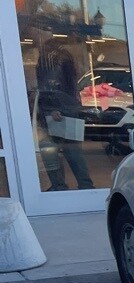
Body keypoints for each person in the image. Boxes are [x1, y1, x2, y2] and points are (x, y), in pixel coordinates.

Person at [36, 37, 94, 191]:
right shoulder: (65, 57)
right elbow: (70, 86)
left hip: (56, 111)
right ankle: (85, 185)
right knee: (73, 150)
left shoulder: (50, 59)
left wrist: (53, 109)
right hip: (68, 108)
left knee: (51, 150)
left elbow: (51, 86)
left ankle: (59, 185)